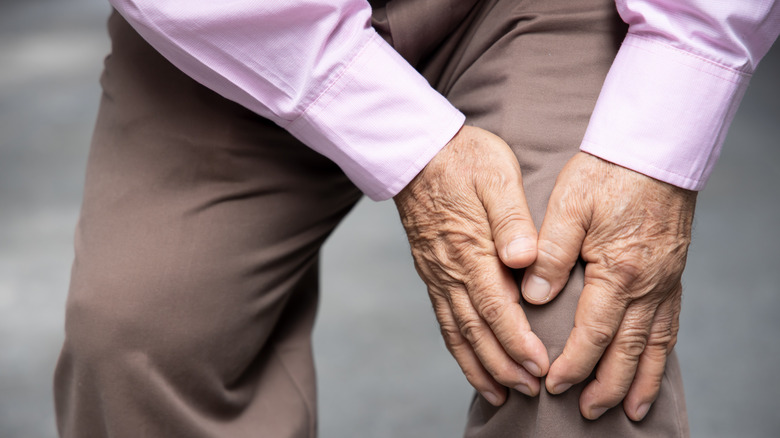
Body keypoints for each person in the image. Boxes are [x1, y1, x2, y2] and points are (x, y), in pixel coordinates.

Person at [53, 0, 779, 436]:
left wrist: (677, 85)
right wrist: (406, 143)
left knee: (576, 331)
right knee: (141, 336)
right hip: (234, 18)